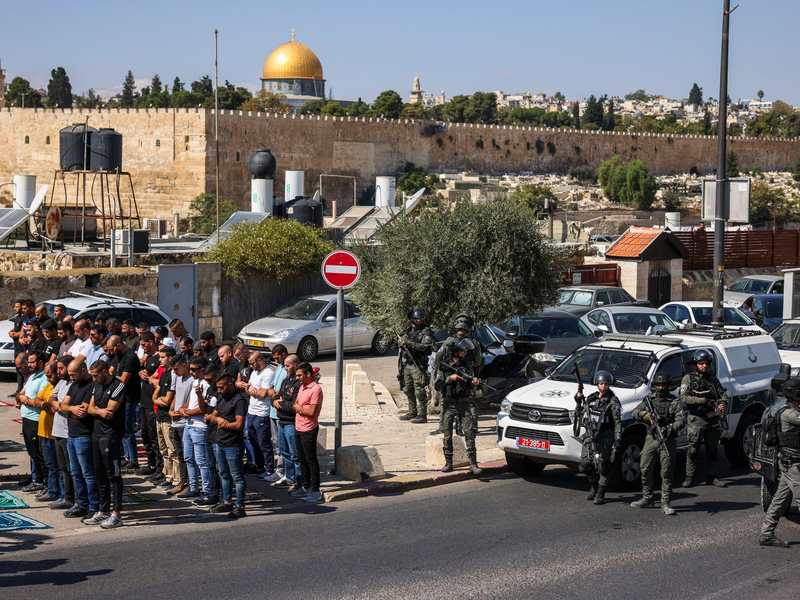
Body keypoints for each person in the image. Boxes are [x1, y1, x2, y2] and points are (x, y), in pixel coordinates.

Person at [631, 371, 686, 515]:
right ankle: (647, 498)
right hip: (651, 438)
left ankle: (665, 502)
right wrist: (645, 415)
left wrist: (668, 428)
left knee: (666, 471)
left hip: (667, 439)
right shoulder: (648, 399)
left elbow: (681, 421)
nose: (661, 388)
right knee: (644, 468)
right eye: (659, 385)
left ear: (668, 386)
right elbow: (635, 412)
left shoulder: (674, 402)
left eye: (664, 385)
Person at [85, 360, 126, 529]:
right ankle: (103, 511)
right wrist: (99, 411)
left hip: (110, 437)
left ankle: (116, 514)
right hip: (96, 434)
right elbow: (90, 408)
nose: (93, 379)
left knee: (113, 475)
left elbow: (111, 412)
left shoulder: (118, 386)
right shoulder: (97, 385)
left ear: (104, 372)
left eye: (95, 375)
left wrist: (98, 410)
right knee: (99, 475)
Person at [759, 377, 800, 547]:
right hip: (793, 464)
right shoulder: (790, 413)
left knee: (780, 499)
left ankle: (766, 534)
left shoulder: (791, 408)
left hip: (789, 461)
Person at [681, 349, 728, 488]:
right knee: (693, 450)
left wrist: (722, 404)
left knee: (712, 449)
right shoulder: (688, 379)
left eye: (706, 363)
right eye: (701, 363)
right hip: (696, 418)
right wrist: (703, 401)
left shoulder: (713, 379)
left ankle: (712, 476)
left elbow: (723, 395)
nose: (704, 366)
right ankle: (689, 477)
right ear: (695, 364)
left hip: (712, 419)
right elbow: (684, 397)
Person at [435, 338, 482, 475]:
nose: (465, 352)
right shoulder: (445, 366)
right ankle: (448, 462)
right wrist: (451, 378)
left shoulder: (467, 365)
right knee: (447, 434)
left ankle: (473, 463)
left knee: (469, 432)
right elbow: (438, 386)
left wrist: (474, 382)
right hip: (449, 404)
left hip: (464, 403)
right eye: (462, 350)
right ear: (455, 352)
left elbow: (471, 381)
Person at [431, 314, 483, 436]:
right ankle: (472, 427)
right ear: (468, 329)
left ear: (456, 328)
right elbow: (478, 362)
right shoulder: (474, 343)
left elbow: (438, 357)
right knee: (469, 400)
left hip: (449, 372)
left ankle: (443, 428)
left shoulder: (449, 341)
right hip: (466, 372)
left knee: (445, 400)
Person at [575, 370, 622, 505]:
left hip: (605, 435)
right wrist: (578, 401)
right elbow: (581, 414)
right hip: (590, 434)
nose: (604, 386)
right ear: (597, 384)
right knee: (584, 465)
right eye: (602, 383)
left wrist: (618, 437)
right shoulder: (591, 398)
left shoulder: (613, 401)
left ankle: (600, 492)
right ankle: (593, 485)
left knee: (603, 466)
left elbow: (617, 420)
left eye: (606, 384)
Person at [62, 359, 99, 519]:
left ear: (84, 370)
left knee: (88, 473)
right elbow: (63, 405)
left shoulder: (91, 386)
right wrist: (70, 409)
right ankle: (81, 503)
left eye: (73, 374)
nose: (71, 378)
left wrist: (67, 409)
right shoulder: (73, 385)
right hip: (71, 435)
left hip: (84, 436)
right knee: (75, 473)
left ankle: (93, 505)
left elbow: (82, 411)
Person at [177, 357, 217, 504]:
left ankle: (206, 490)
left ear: (202, 369)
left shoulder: (206, 384)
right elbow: (190, 400)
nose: (191, 371)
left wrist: (188, 412)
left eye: (194, 369)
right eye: (190, 368)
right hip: (189, 425)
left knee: (201, 461)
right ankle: (193, 487)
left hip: (199, 426)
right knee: (188, 458)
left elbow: (203, 408)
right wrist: (182, 408)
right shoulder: (195, 382)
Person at [211, 374, 248, 518]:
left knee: (237, 476)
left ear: (230, 384)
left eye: (221, 387)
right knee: (223, 473)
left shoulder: (239, 400)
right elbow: (212, 416)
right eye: (218, 387)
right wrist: (219, 419)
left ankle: (240, 506)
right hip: (220, 442)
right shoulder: (221, 397)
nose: (219, 390)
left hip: (233, 444)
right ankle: (226, 501)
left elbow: (239, 425)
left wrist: (225, 425)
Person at [290, 361, 324, 502]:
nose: (297, 378)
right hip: (298, 427)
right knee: (301, 459)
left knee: (311, 460)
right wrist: (299, 408)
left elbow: (311, 411)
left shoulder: (315, 389)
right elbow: (295, 404)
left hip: (309, 429)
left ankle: (315, 490)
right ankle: (306, 486)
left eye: (299, 375)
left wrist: (299, 408)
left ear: (308, 374)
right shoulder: (302, 386)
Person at [107, 335, 141, 470]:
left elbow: (123, 380)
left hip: (129, 397)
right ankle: (127, 457)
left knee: (127, 429)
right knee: (122, 428)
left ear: (119, 345)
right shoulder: (117, 357)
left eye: (112, 349)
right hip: (120, 398)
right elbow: (111, 372)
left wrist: (112, 378)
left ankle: (133, 459)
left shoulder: (130, 357)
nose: (110, 352)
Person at [16, 351, 48, 493]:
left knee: (39, 454)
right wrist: (21, 399)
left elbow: (40, 402)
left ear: (40, 363)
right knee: (32, 453)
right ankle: (37, 480)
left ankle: (45, 483)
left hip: (36, 420)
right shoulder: (31, 377)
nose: (29, 364)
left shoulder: (44, 378)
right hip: (26, 418)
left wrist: (24, 400)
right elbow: (20, 394)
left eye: (32, 362)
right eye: (28, 362)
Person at [398, 308, 435, 424]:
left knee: (419, 390)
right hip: (407, 364)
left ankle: (422, 415)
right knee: (407, 389)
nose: (418, 320)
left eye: (420, 318)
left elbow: (424, 346)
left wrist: (409, 343)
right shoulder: (408, 330)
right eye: (416, 318)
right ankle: (412, 411)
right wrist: (399, 342)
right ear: (412, 319)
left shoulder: (425, 331)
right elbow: (400, 340)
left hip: (418, 364)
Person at [244, 351, 277, 479]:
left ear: (259, 360)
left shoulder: (268, 373)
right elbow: (248, 386)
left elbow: (264, 394)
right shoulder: (254, 372)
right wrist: (249, 388)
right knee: (253, 441)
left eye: (252, 363)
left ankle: (269, 469)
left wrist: (252, 390)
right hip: (251, 411)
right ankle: (259, 466)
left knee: (264, 442)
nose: (251, 366)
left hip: (262, 413)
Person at [272, 354, 302, 489]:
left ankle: (298, 480)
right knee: (284, 452)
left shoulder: (298, 384)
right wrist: (275, 401)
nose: (285, 368)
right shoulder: (285, 381)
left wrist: (281, 403)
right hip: (281, 421)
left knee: (295, 454)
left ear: (295, 366)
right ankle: (289, 478)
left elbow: (293, 405)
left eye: (288, 366)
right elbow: (276, 396)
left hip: (291, 423)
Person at [33, 363, 62, 504]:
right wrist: (43, 403)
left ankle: (58, 493)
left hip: (54, 433)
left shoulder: (60, 386)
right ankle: (52, 490)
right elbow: (37, 399)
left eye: (49, 375)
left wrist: (46, 403)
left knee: (57, 466)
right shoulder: (48, 385)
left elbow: (55, 408)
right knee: (49, 464)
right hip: (43, 432)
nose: (48, 378)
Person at [50, 356, 76, 511]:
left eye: (61, 368)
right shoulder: (61, 382)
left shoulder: (74, 384)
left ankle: (74, 498)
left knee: (71, 468)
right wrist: (58, 405)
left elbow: (68, 405)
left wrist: (61, 406)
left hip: (68, 432)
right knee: (62, 467)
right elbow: (52, 398)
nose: (58, 371)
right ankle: (65, 495)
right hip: (57, 430)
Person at [136, 332, 162, 477]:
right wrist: (141, 373)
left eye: (144, 344)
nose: (143, 347)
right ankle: (151, 463)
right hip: (144, 399)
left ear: (151, 342)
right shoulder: (148, 358)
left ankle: (159, 467)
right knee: (145, 433)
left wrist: (151, 377)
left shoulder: (159, 357)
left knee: (153, 435)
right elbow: (145, 372)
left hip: (153, 401)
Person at [166, 354, 192, 495]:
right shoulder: (179, 378)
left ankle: (189, 483)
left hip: (185, 423)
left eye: (176, 369)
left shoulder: (192, 380)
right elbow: (176, 396)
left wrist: (182, 410)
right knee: (180, 455)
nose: (174, 373)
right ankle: (182, 482)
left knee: (187, 456)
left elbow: (191, 399)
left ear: (184, 365)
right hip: (175, 422)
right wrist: (171, 411)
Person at [153, 347, 178, 489]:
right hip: (159, 415)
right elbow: (155, 396)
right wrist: (158, 400)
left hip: (168, 417)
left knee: (171, 448)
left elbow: (168, 399)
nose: (160, 359)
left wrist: (160, 399)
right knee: (163, 448)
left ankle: (176, 479)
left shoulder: (173, 375)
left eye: (162, 357)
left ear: (170, 358)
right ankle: (168, 476)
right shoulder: (163, 373)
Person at [269, 344, 289, 481]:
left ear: (283, 354)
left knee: (283, 444)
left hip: (281, 413)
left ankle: (284, 471)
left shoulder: (287, 369)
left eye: (277, 358)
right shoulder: (279, 368)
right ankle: (279, 469)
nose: (276, 361)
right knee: (276, 443)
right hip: (272, 411)